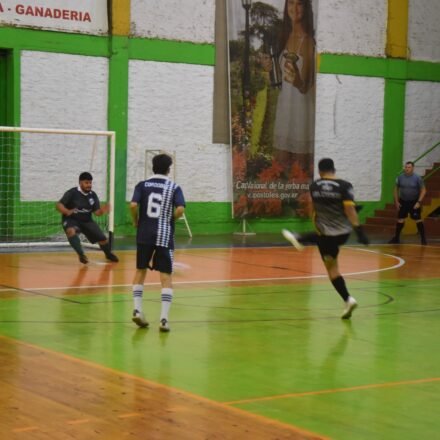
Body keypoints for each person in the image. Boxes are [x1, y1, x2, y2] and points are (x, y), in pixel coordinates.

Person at [282, 158, 369, 319]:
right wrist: (360, 231)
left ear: (320, 171)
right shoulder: (345, 186)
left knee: (332, 269)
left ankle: (300, 239)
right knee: (327, 248)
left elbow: (313, 210)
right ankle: (301, 239)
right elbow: (349, 209)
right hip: (343, 234)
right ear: (333, 169)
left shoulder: (314, 186)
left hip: (326, 235)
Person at [130, 153, 185, 332]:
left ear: (152, 167)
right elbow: (180, 209)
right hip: (163, 235)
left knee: (140, 271)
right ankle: (163, 319)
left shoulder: (142, 185)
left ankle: (137, 310)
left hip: (144, 234)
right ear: (169, 169)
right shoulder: (173, 187)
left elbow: (132, 205)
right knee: (165, 276)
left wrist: (135, 220)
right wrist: (170, 219)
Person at [272, 0, 316, 169]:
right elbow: (278, 80)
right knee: (279, 168)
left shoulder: (308, 42)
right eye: (291, 3)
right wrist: (269, 68)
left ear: (305, 8)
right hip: (285, 110)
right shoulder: (284, 37)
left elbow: (305, 87)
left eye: (300, 4)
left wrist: (297, 79)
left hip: (301, 114)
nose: (294, 9)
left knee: (300, 174)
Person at [56, 172, 119, 264]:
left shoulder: (93, 195)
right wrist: (66, 211)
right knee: (70, 231)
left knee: (103, 239)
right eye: (86, 183)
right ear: (80, 182)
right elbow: (59, 205)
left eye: (90, 183)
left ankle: (108, 254)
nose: (89, 185)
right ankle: (81, 255)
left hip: (87, 221)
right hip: (72, 220)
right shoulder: (72, 193)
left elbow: (97, 213)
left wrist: (102, 210)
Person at [388, 161, 427, 245]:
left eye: (409, 167)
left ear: (413, 168)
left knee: (418, 219)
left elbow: (423, 190)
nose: (407, 169)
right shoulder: (400, 177)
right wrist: (397, 201)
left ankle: (423, 239)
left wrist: (419, 202)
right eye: (406, 167)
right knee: (400, 219)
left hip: (414, 202)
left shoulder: (417, 178)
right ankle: (396, 238)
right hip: (403, 201)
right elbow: (395, 189)